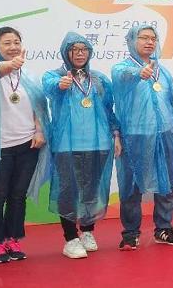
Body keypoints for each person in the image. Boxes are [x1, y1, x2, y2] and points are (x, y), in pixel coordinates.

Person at [0, 27, 51, 263]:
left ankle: (12, 239)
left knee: (18, 195)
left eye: (16, 42)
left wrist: (39, 130)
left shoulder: (29, 76)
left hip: (28, 145)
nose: (13, 47)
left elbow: (39, 106)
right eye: (7, 43)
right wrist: (9, 65)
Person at [42, 32, 120, 259]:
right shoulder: (54, 76)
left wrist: (116, 133)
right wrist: (60, 84)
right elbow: (49, 88)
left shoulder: (99, 79)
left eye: (83, 49)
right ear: (65, 53)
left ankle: (87, 231)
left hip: (98, 143)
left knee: (91, 189)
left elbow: (108, 110)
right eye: (74, 50)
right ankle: (70, 238)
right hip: (67, 145)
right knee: (68, 190)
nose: (79, 54)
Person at [113, 26, 173, 249]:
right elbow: (123, 78)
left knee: (168, 182)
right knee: (131, 184)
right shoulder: (121, 68)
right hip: (134, 135)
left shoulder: (163, 72)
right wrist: (139, 74)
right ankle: (130, 232)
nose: (149, 42)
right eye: (144, 38)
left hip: (166, 133)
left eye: (153, 38)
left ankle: (164, 228)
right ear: (132, 41)